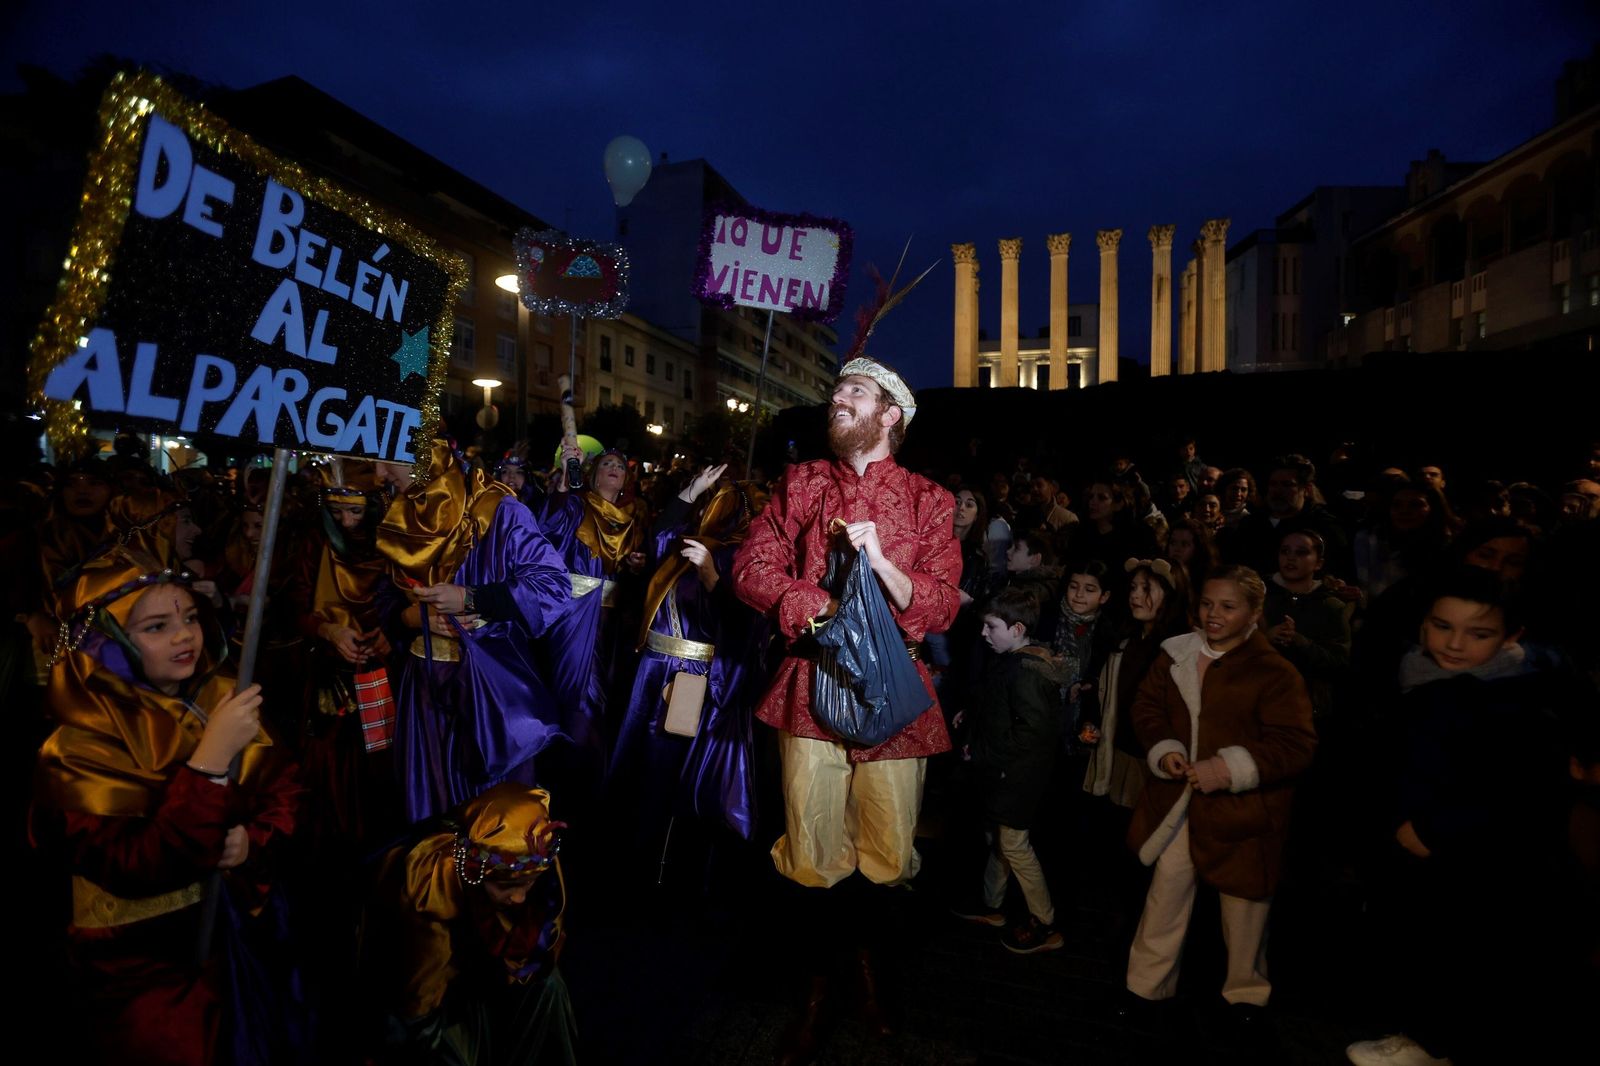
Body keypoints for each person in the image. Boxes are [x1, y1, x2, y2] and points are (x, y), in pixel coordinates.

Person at [732, 355, 961, 1063]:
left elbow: (942, 601)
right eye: (836, 389)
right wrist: (815, 605)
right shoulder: (801, 483)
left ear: (890, 414)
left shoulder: (929, 499)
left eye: (854, 391)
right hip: (811, 688)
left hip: (895, 697)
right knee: (811, 852)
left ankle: (870, 974)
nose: (838, 398)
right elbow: (751, 567)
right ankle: (817, 992)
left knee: (889, 857)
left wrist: (884, 564)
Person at [31, 547, 302, 1065]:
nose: (184, 636)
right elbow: (140, 864)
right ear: (106, 644)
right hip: (142, 967)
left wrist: (253, 841)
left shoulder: (223, 695)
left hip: (240, 940)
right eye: (156, 627)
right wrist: (209, 763)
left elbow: (284, 789)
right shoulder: (77, 749)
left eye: (190, 618)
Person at [1345, 569, 1573, 1065]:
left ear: (1512, 636)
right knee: (1420, 953)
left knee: (1466, 962)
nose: (1453, 644)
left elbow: (1530, 796)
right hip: (1412, 856)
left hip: (1476, 867)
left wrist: (1434, 830)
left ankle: (1441, 1045)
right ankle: (1423, 1038)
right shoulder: (1415, 676)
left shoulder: (1523, 701)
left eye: (1479, 633)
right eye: (1442, 626)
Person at [1123, 566, 1316, 1021]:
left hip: (1243, 810)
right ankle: (1145, 987)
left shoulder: (1274, 672)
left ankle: (1245, 995)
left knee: (1244, 906)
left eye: (1228, 607)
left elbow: (1295, 744)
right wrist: (1166, 749)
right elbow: (1147, 707)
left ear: (1254, 612)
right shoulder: (1177, 655)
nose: (1214, 614)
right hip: (1180, 803)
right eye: (1208, 604)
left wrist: (1228, 769)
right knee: (1166, 893)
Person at [376, 440, 570, 824]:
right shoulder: (398, 512)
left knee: (491, 815)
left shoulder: (499, 510)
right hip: (423, 690)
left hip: (487, 691)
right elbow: (385, 598)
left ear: (423, 461)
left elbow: (553, 588)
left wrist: (471, 597)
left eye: (386, 463)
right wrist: (411, 617)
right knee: (431, 809)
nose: (379, 476)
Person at [610, 466, 773, 877]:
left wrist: (712, 576)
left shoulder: (740, 559)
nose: (710, 507)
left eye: (718, 501)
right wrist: (690, 490)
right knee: (639, 762)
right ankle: (631, 849)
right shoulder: (688, 543)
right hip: (653, 669)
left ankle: (667, 861)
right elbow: (662, 534)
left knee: (670, 767)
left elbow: (745, 625)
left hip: (692, 677)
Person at [369, 783, 577, 1066]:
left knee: (550, 986)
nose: (519, 897)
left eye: (528, 884)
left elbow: (540, 945)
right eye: (506, 886)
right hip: (438, 1002)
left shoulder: (540, 877)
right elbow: (418, 1005)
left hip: (488, 980)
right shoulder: (431, 891)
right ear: (475, 871)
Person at [953, 587, 1066, 954]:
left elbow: (1031, 733)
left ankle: (1045, 922)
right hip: (1007, 774)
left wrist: (982, 751)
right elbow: (1000, 709)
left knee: (1014, 845)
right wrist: (973, 717)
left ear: (1017, 630)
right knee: (1002, 839)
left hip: (1018, 778)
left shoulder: (1026, 672)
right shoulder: (1013, 662)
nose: (984, 633)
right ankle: (992, 905)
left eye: (991, 627)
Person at [539, 444, 649, 763]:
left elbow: (636, 574)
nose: (614, 468)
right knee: (574, 691)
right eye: (607, 464)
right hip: (574, 616)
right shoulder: (578, 506)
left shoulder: (630, 521)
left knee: (605, 693)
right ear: (594, 475)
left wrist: (637, 566)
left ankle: (590, 766)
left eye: (620, 466)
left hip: (611, 622)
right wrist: (565, 476)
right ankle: (565, 761)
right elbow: (548, 526)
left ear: (626, 480)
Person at [1264, 529, 1353, 721]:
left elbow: (1340, 662)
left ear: (1318, 563)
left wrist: (1299, 641)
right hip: (1262, 698)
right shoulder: (1260, 598)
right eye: (1285, 551)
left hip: (1309, 706)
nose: (1291, 558)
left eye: (1301, 552)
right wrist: (1265, 638)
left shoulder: (1330, 607)